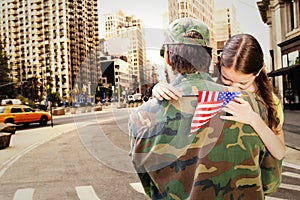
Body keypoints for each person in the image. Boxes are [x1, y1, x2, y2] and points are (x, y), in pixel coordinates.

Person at [128, 18, 281, 199]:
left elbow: (149, 184)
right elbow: (270, 182)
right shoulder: (251, 105)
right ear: (210, 57)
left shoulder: (141, 117)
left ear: (168, 58)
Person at [152, 33, 285, 160]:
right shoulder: (211, 86)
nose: (234, 87)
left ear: (257, 73)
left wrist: (254, 119)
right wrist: (160, 88)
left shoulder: (269, 101)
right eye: (227, 79)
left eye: (243, 83)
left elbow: (279, 152)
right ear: (220, 64)